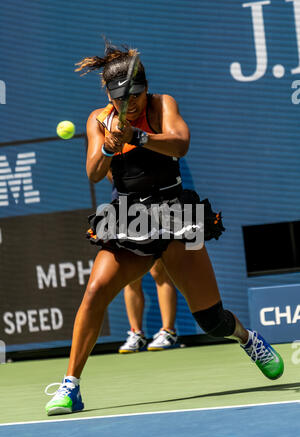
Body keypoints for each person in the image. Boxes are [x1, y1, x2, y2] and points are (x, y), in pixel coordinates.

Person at [45, 42, 284, 416]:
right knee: (94, 291)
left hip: (174, 213)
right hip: (128, 217)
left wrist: (139, 137)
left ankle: (247, 338)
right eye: (124, 98)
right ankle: (70, 386)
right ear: (109, 95)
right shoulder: (98, 119)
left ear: (146, 88)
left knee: (211, 319)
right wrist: (109, 147)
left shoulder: (162, 105)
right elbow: (92, 171)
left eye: (138, 95)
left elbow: (181, 143)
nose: (133, 104)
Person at [107, 173, 179, 353]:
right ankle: (136, 334)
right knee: (130, 275)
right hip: (125, 204)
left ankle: (168, 331)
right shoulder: (111, 146)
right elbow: (107, 169)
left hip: (156, 201)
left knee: (159, 271)